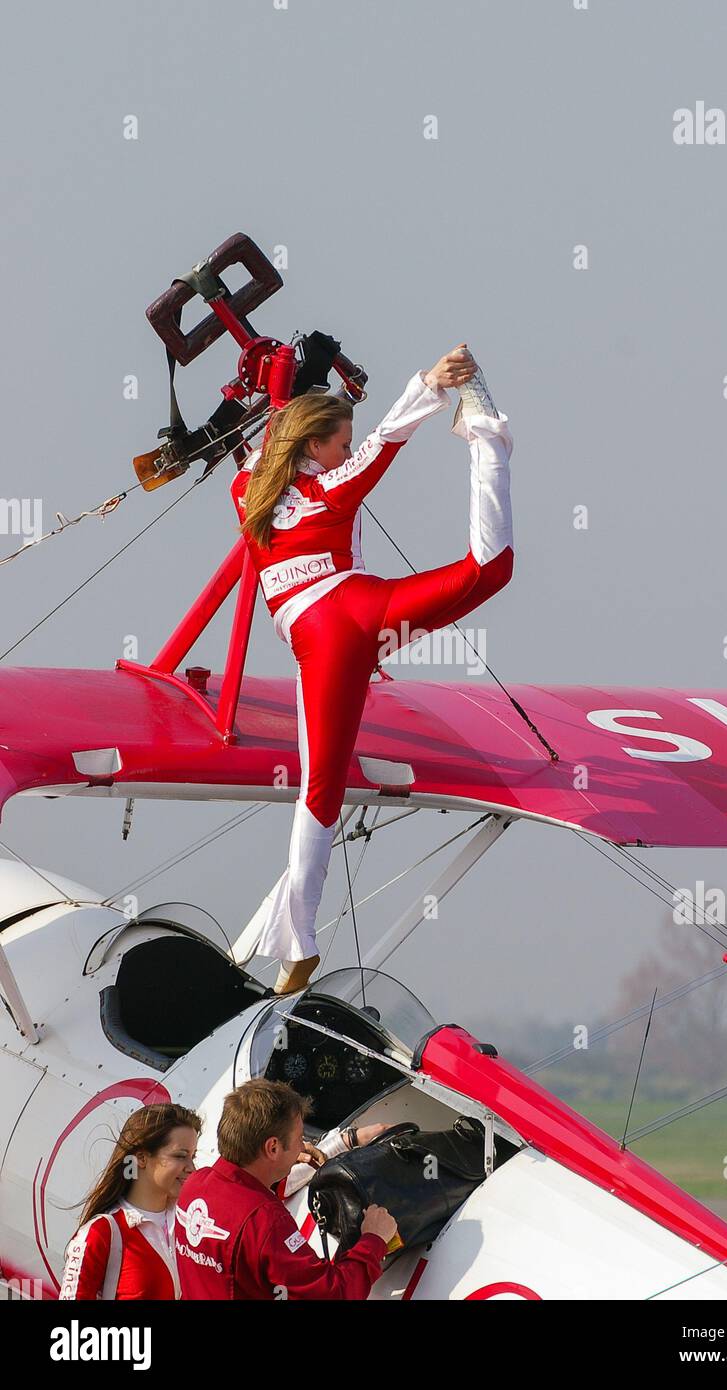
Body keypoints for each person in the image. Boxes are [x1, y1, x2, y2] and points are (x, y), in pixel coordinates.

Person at [231, 344, 514, 993]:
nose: (346, 452)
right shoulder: (330, 489)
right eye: (340, 443)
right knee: (488, 571)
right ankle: (487, 440)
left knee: (319, 790)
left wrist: (287, 400)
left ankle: (298, 938)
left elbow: (289, 443)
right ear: (318, 445)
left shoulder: (246, 492)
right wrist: (428, 385)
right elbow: (384, 442)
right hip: (364, 619)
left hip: (329, 635)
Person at [175, 1079, 396, 1300]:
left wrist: (341, 1143)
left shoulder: (194, 1184)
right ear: (272, 1147)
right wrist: (374, 1239)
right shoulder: (266, 1221)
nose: (303, 1147)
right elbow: (332, 1294)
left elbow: (239, 1201)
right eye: (300, 1138)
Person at [59, 1103, 200, 1300]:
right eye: (180, 1156)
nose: (192, 1167)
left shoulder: (192, 1226)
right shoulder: (100, 1233)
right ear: (141, 1158)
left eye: (194, 1156)